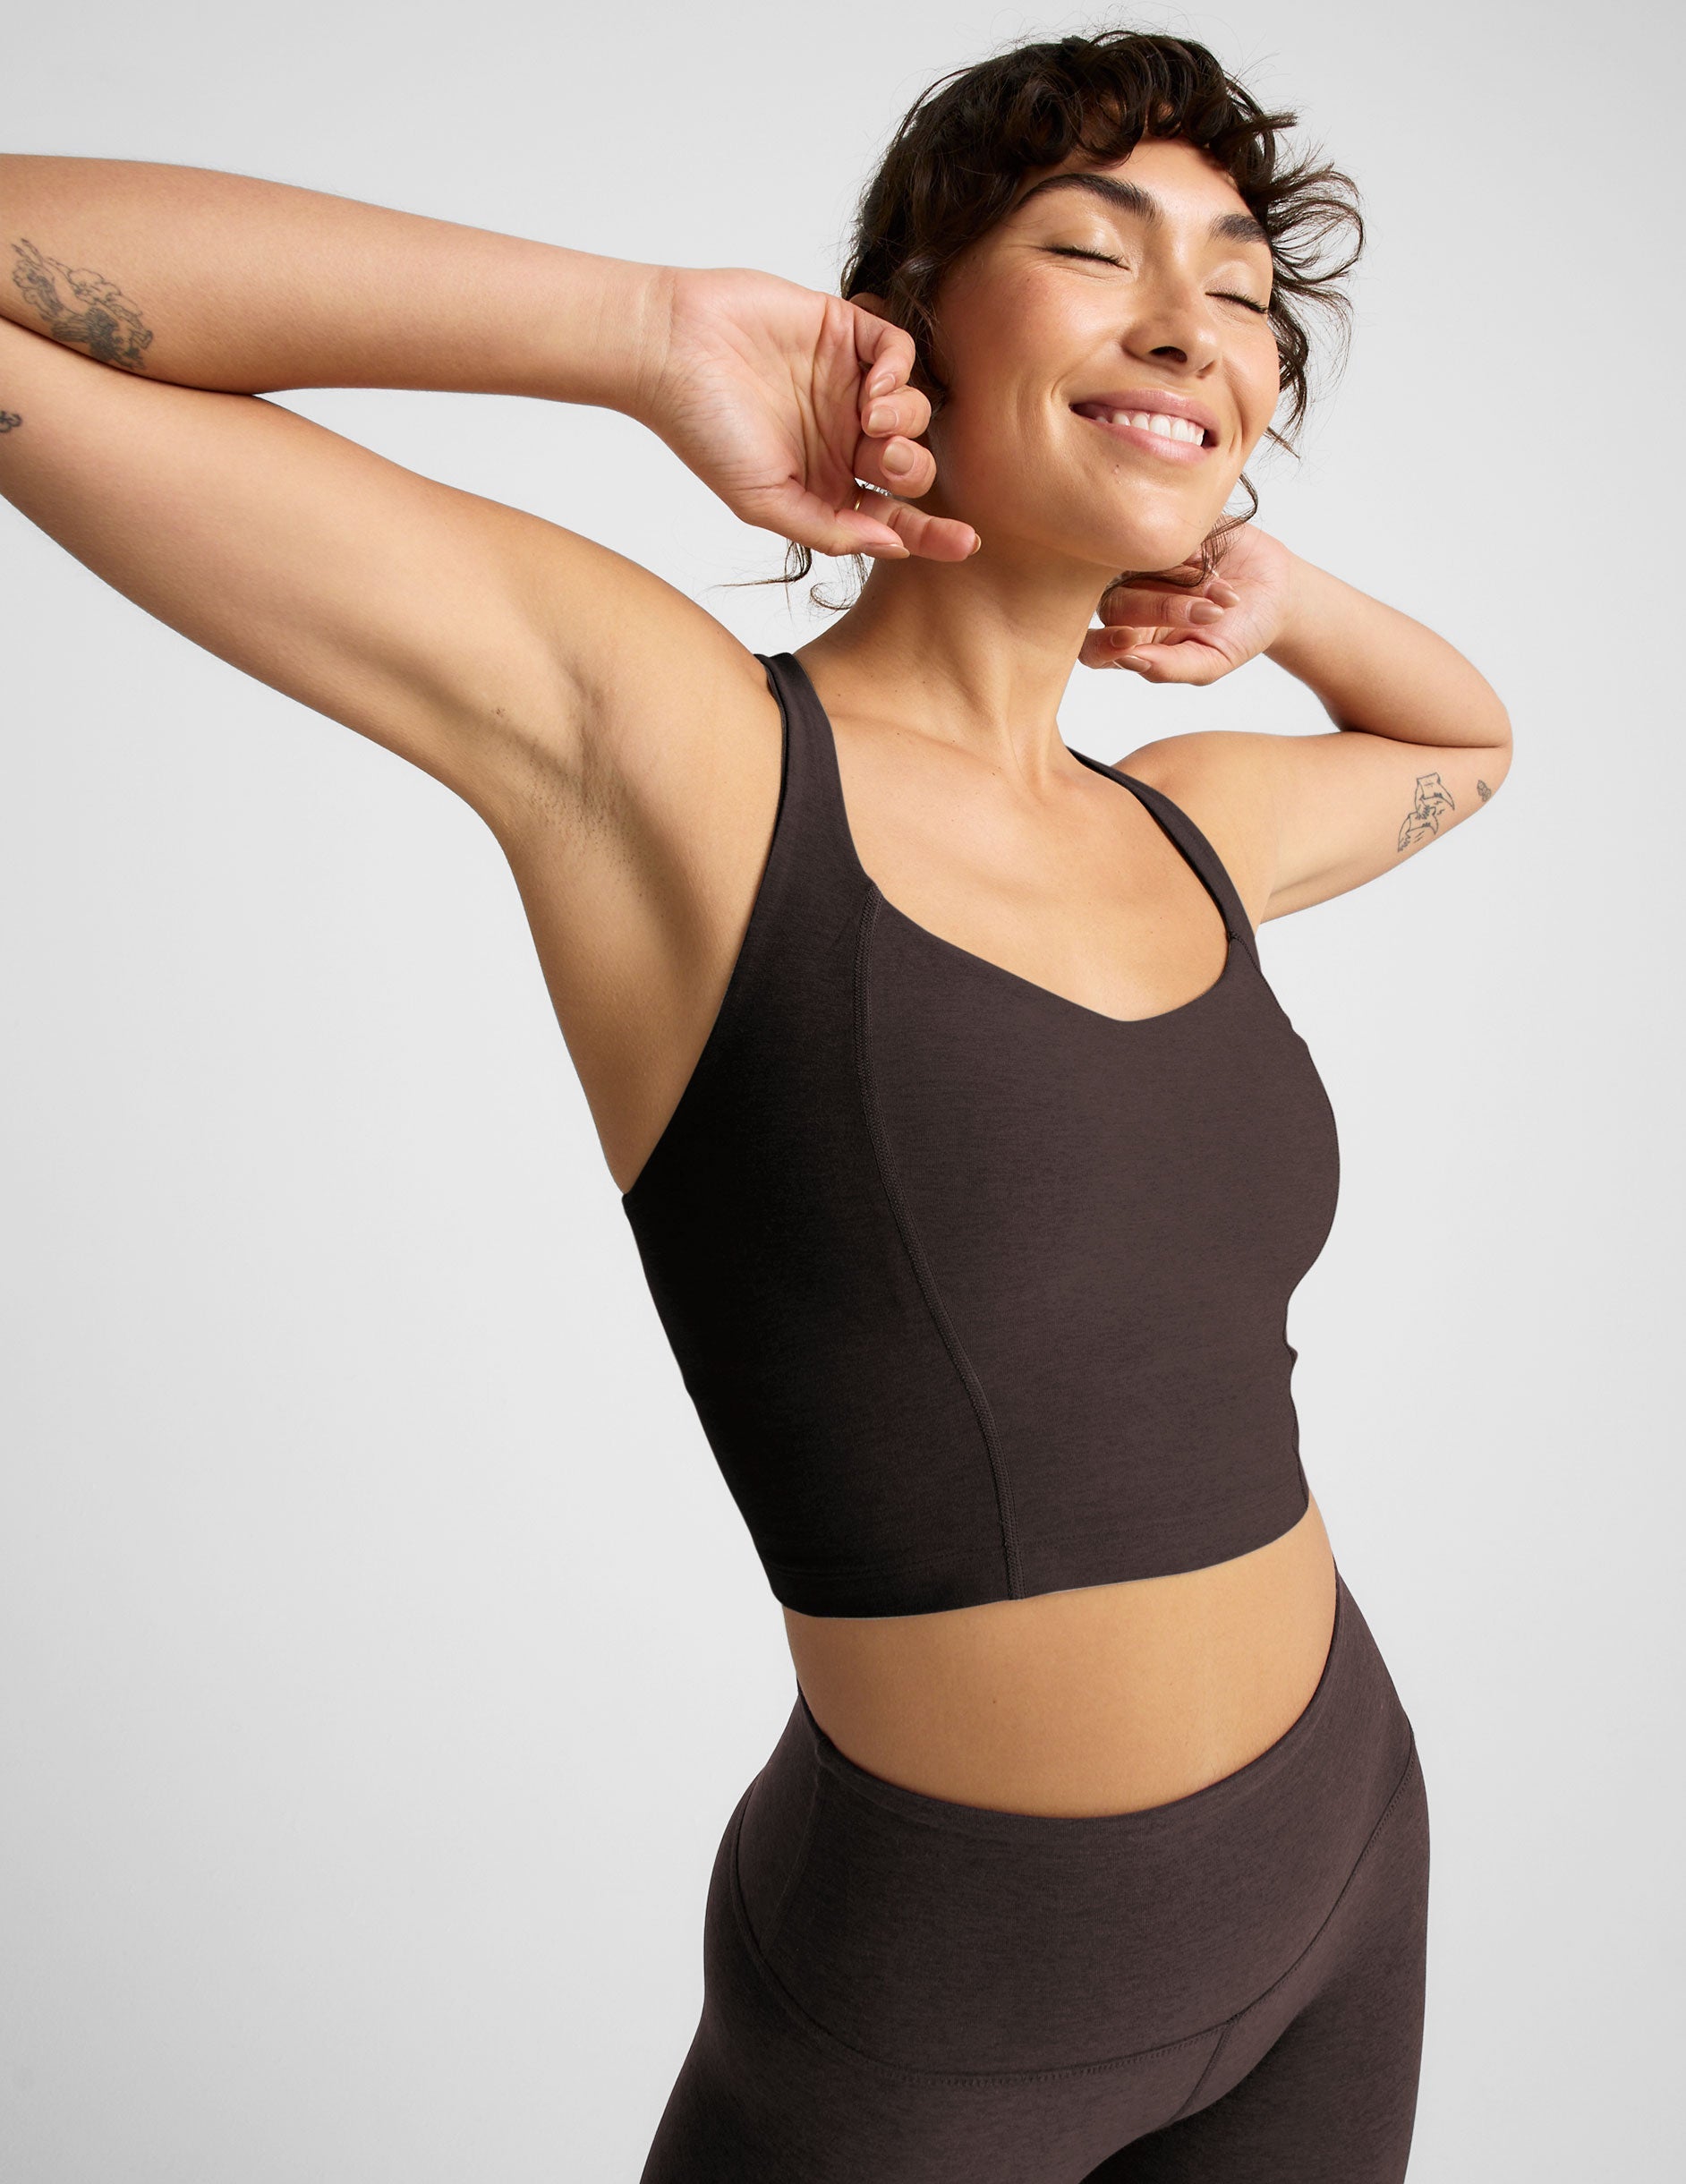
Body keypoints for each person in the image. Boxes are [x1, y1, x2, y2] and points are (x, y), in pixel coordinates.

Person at [0, 27, 1509, 2181]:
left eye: (1249, 298)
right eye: (1096, 249)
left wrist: (1282, 598)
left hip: (1342, 1865)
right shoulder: (690, 763)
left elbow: (1470, 740)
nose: (1193, 319)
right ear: (902, 337)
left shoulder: (1191, 831)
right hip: (940, 1994)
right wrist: (635, 335)